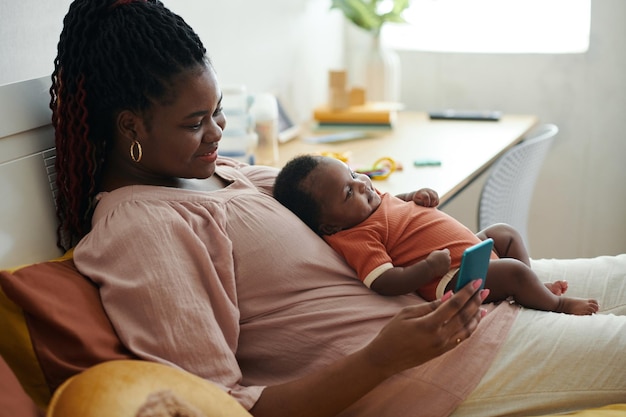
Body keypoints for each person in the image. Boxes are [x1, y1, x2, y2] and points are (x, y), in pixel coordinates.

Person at [50, 1, 626, 416]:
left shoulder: (225, 174)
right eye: (194, 123)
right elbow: (222, 406)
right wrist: (379, 359)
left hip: (456, 305)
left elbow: (356, 215)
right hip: (433, 366)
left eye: (218, 111)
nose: (217, 133)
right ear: (130, 126)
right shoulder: (140, 228)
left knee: (617, 272)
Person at [273, 154, 599, 316]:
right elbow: (383, 281)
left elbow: (398, 207)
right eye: (348, 191)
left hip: (468, 248)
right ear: (329, 226)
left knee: (505, 233)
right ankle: (557, 305)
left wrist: (416, 194)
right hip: (452, 277)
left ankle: (532, 288)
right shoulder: (355, 236)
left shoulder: (368, 205)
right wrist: (429, 269)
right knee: (513, 271)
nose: (362, 184)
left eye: (355, 174)